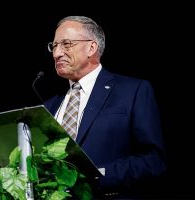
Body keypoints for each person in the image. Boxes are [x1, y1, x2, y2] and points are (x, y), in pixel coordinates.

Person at [44, 16, 167, 199]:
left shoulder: (133, 91)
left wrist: (96, 176)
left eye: (66, 44)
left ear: (91, 48)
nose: (57, 53)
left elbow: (153, 160)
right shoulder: (50, 105)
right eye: (53, 46)